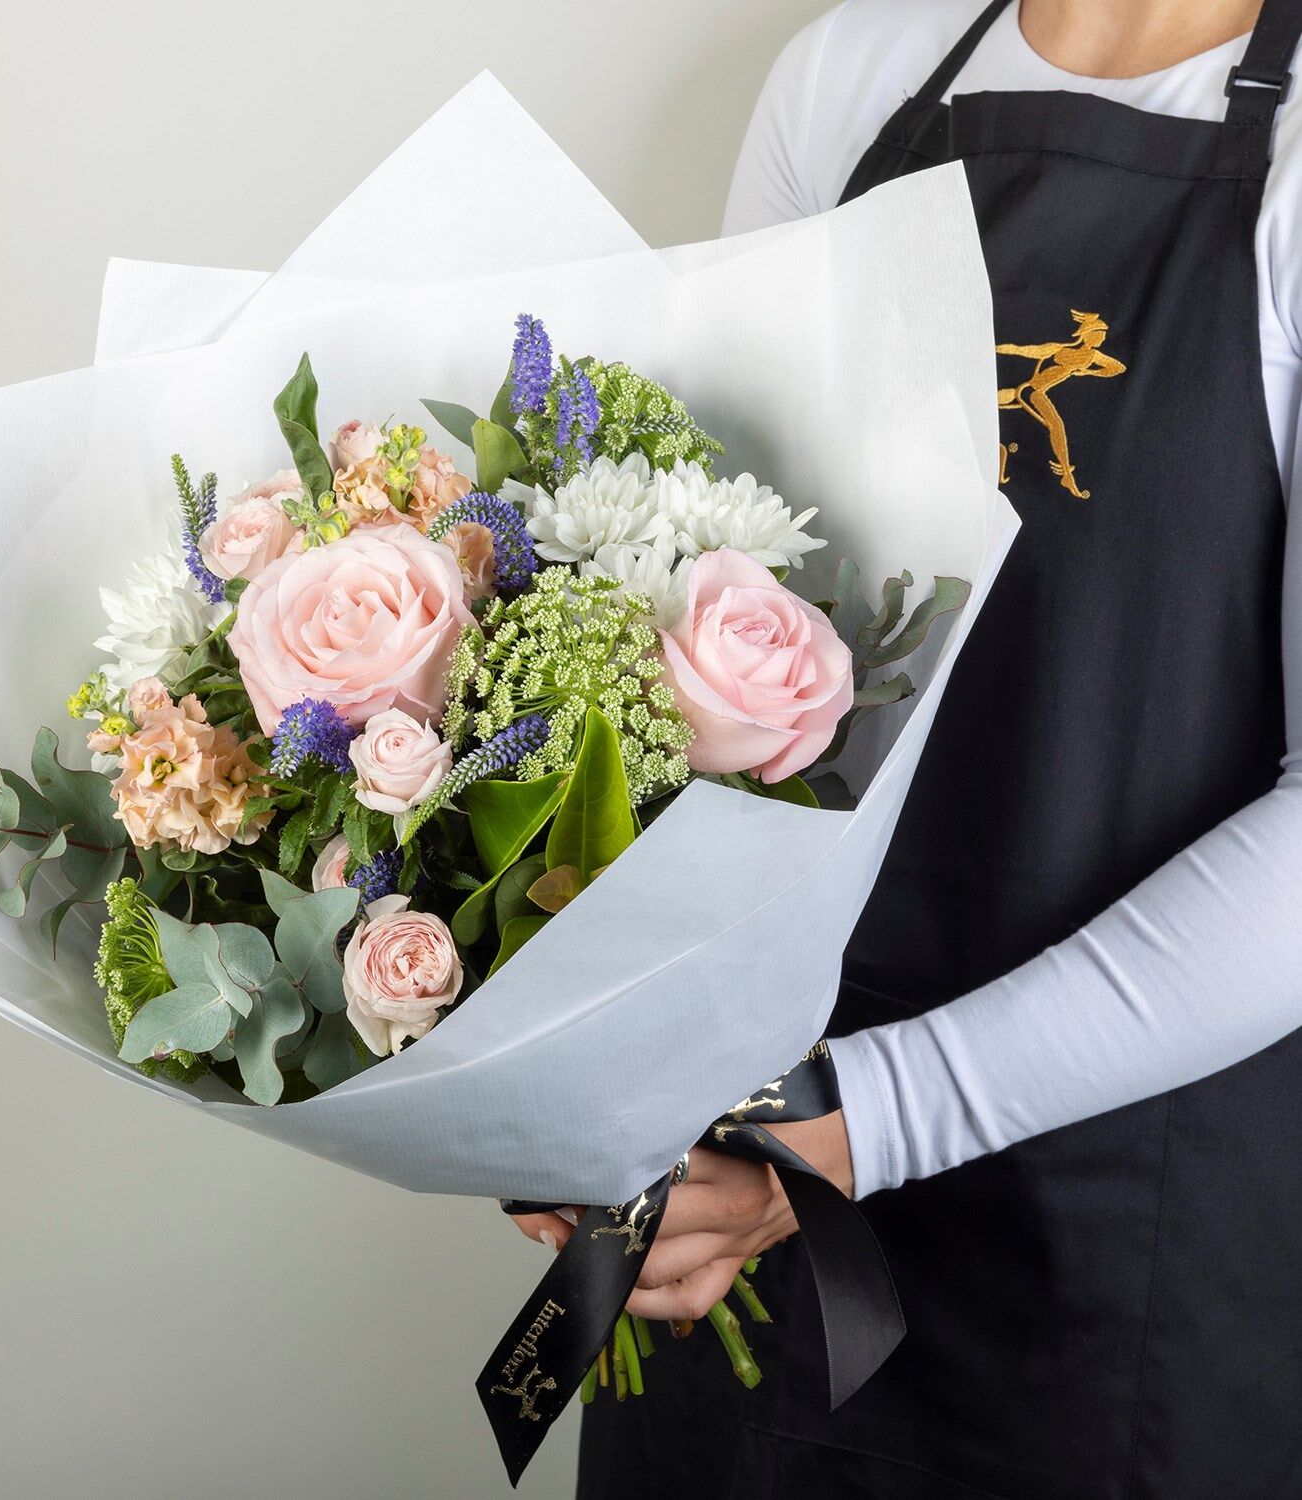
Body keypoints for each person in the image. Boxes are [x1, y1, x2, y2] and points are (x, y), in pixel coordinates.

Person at [517, 1, 1302, 1494]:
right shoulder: (850, 83)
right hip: (733, 1196)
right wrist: (572, 1061)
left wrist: (855, 1124)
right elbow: (689, 619)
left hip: (1116, 1257)